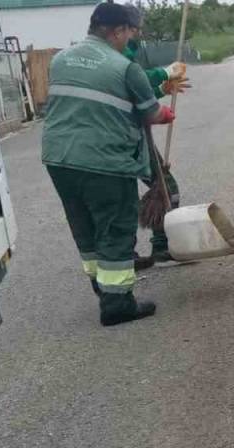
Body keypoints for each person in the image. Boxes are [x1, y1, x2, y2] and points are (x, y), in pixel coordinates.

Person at [41, 1, 175, 326]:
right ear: (116, 31)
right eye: (129, 33)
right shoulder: (124, 68)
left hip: (59, 158)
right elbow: (152, 112)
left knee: (84, 225)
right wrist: (166, 113)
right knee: (115, 226)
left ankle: (102, 287)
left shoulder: (60, 59)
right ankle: (117, 305)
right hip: (104, 161)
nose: (131, 40)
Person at [121, 39, 189, 269]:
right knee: (165, 185)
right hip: (126, 136)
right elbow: (131, 79)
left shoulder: (115, 50)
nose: (137, 33)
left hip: (115, 137)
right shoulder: (117, 55)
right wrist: (165, 72)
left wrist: (161, 90)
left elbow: (130, 96)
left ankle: (124, 255)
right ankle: (162, 248)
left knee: (121, 196)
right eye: (134, 28)